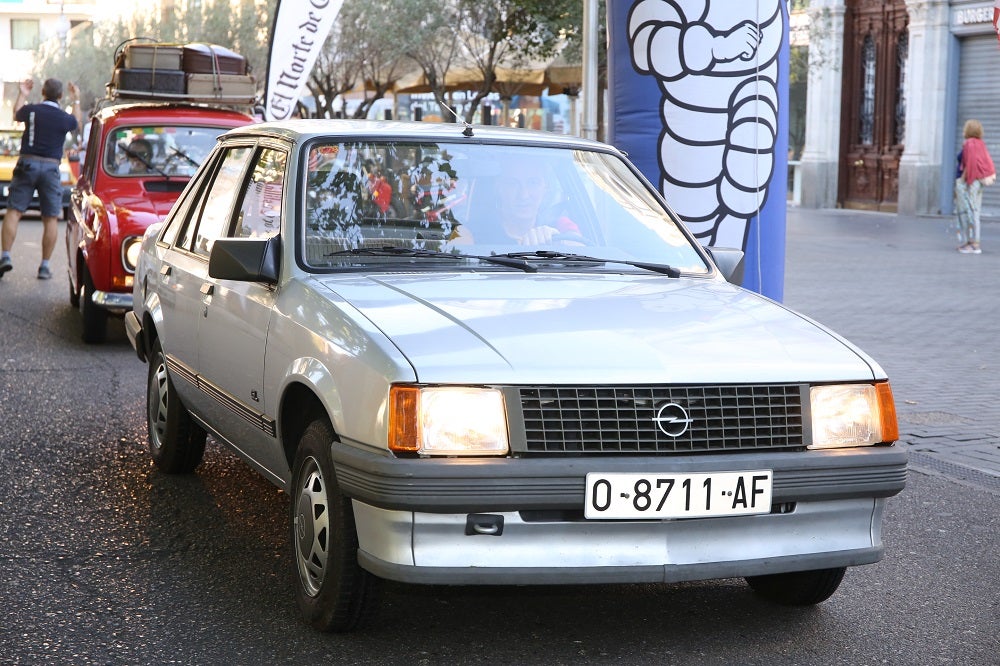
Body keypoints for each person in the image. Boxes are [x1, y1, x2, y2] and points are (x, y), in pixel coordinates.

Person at [0, 78, 82, 280]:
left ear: (43, 93)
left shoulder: (32, 111)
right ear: (60, 96)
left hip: (27, 164)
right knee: (50, 217)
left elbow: (16, 114)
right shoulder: (63, 117)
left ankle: (6, 256)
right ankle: (44, 266)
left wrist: (23, 94)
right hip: (51, 167)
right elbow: (77, 123)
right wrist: (77, 100)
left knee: (14, 211)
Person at [954, 119, 996, 255]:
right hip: (977, 182)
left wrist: (963, 180)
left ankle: (973, 245)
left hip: (971, 181)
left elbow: (970, 164)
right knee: (974, 211)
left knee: (970, 211)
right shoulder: (980, 143)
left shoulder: (969, 144)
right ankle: (971, 242)